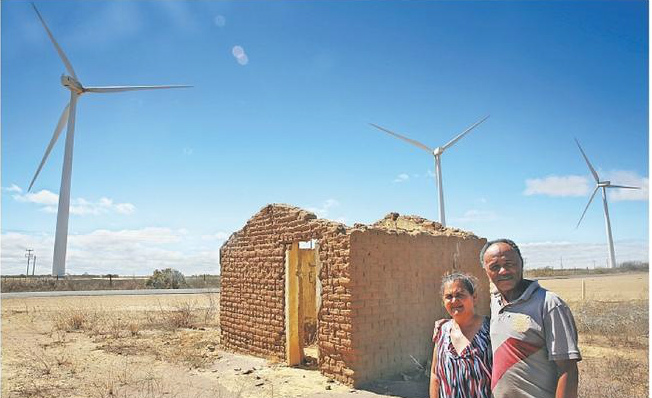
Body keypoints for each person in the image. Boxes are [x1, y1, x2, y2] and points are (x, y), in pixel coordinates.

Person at [481, 239, 581, 398]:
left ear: (521, 263)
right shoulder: (492, 302)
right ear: (486, 271)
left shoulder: (549, 304)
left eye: (509, 264)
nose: (503, 271)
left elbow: (567, 367)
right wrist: (448, 325)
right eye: (494, 267)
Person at [429, 272, 492, 398]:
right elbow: (435, 375)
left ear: (474, 297)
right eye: (448, 296)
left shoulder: (490, 330)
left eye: (460, 295)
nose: (454, 301)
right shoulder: (442, 331)